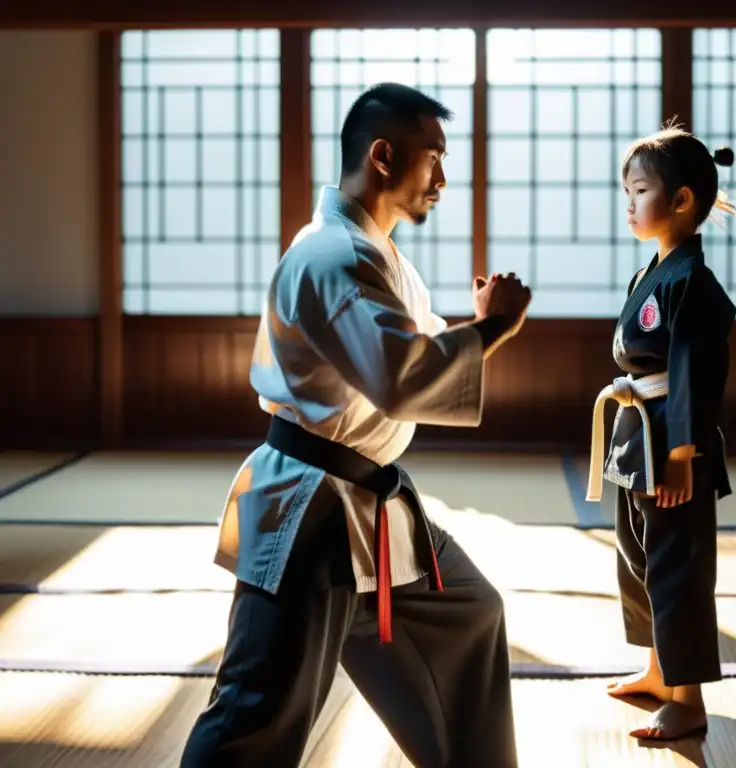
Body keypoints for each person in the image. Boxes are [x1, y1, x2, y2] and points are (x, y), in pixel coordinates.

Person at [180, 82, 529, 768]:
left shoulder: (378, 255)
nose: (443, 178)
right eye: (434, 158)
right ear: (383, 156)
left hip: (374, 508)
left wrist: (476, 331)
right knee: (259, 710)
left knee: (469, 613)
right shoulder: (333, 255)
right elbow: (400, 377)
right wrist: (488, 329)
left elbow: (415, 355)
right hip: (310, 511)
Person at [585, 120, 736, 742]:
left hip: (675, 440)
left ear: (681, 201)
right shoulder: (654, 273)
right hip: (637, 437)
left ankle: (689, 697)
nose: (629, 202)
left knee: (678, 566)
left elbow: (692, 373)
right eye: (626, 191)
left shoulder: (692, 285)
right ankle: (657, 669)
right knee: (638, 556)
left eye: (639, 190)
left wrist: (682, 454)